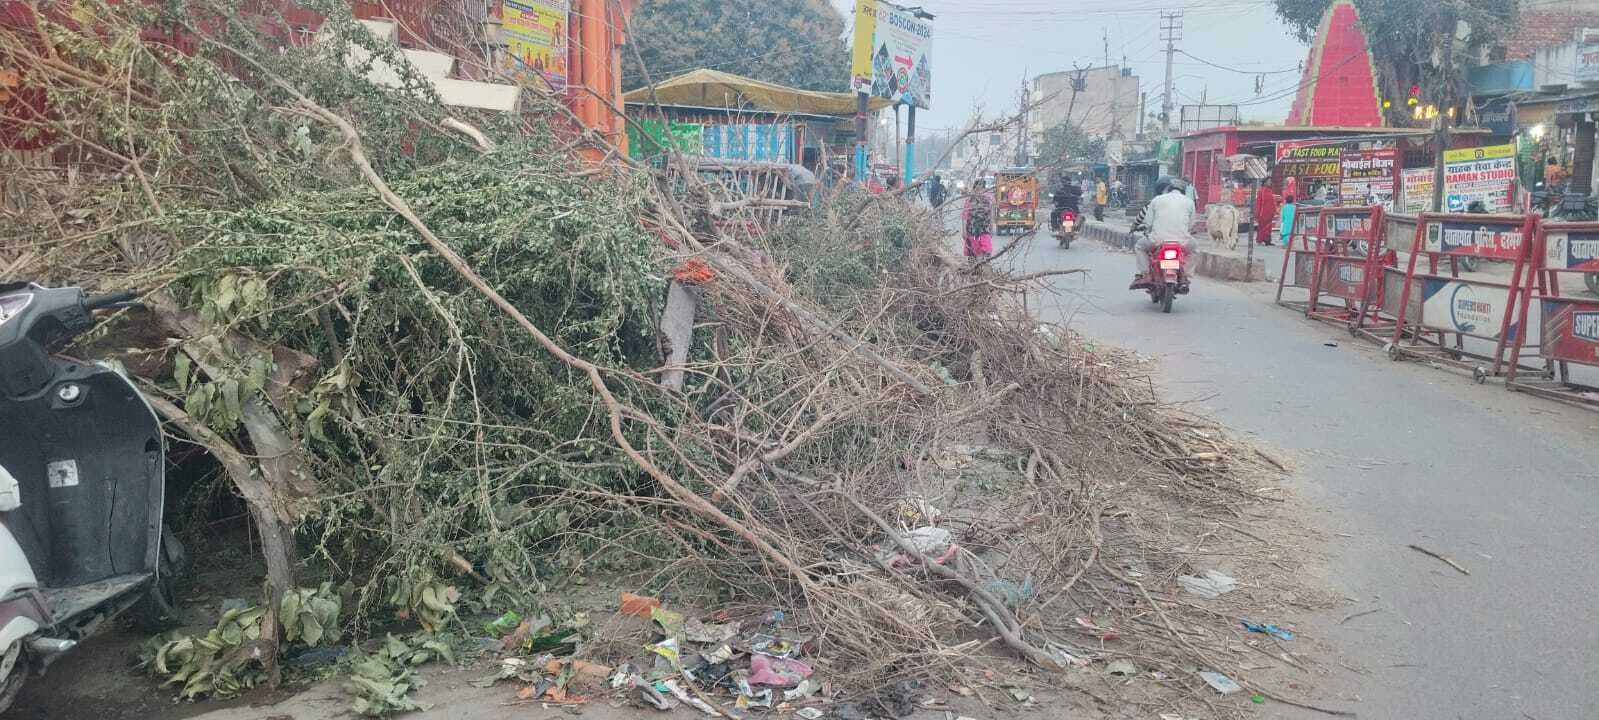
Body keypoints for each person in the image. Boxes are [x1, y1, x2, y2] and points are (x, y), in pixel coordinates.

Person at [1130, 176, 1196, 289]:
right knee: (1193, 250)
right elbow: (1191, 224)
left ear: (1168, 188)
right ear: (1183, 191)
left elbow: (1149, 223)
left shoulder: (1156, 200)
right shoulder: (1189, 202)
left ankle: (1145, 275)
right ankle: (1186, 275)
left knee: (1140, 247)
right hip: (1182, 241)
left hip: (1157, 239)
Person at [963, 178, 994, 257]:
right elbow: (965, 216)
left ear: (984, 189)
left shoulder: (988, 200)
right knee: (973, 254)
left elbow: (991, 215)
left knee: (986, 251)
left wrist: (991, 228)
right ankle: (975, 267)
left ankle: (983, 266)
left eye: (982, 188)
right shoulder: (969, 200)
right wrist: (964, 231)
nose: (980, 191)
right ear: (975, 188)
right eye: (978, 188)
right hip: (972, 231)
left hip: (985, 230)